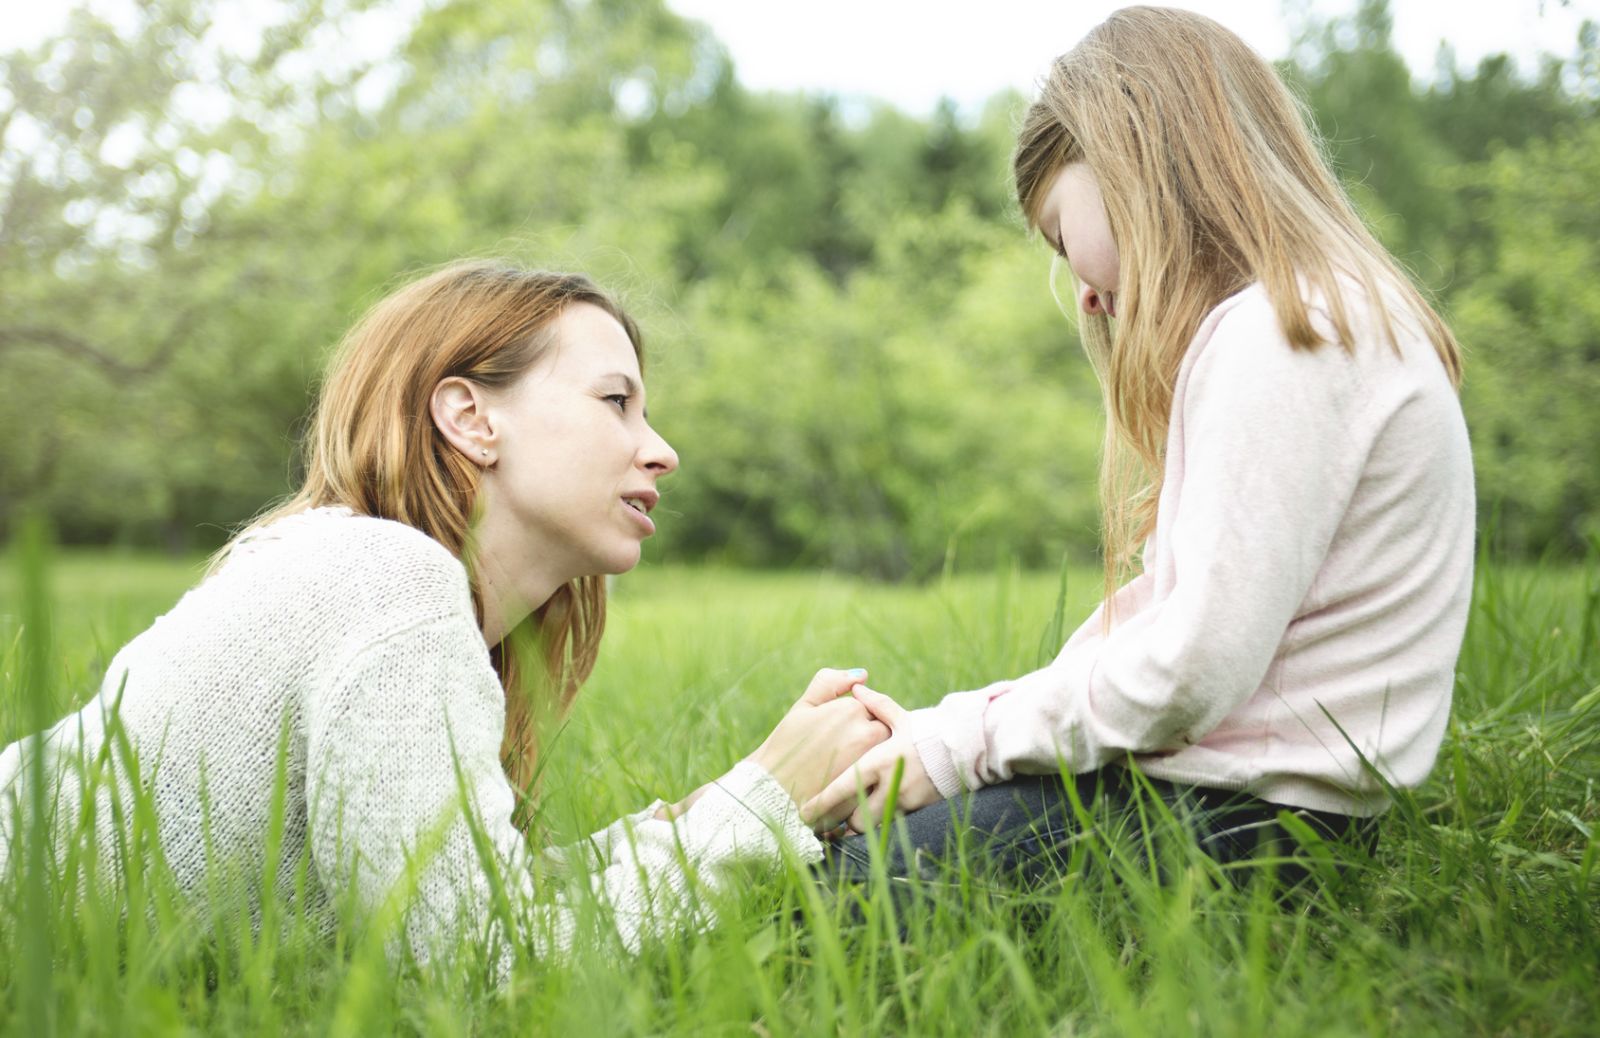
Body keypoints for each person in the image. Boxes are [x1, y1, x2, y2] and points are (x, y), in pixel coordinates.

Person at [0, 261, 888, 966]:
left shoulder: (370, 574)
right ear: (470, 417)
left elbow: (461, 906)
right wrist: (758, 802)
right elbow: (483, 964)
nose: (662, 451)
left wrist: (711, 811)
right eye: (616, 401)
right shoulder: (387, 582)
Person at [807, 6, 1475, 885]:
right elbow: (1164, 626)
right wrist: (952, 732)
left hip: (1235, 823)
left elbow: (1189, 668)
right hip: (1259, 816)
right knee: (861, 845)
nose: (1081, 293)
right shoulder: (1312, 320)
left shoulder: (1281, 334)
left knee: (835, 885)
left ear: (1134, 158)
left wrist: (958, 750)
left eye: (1061, 234)